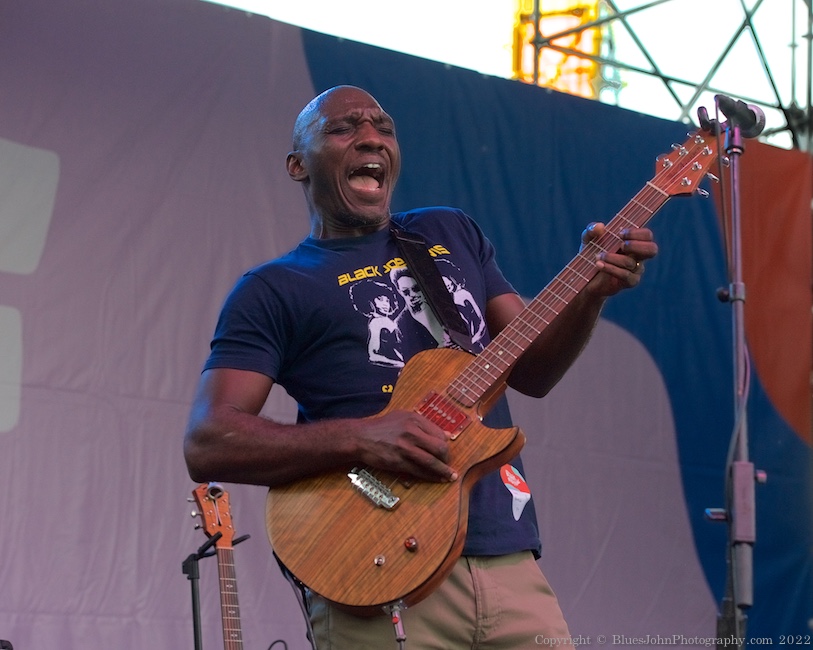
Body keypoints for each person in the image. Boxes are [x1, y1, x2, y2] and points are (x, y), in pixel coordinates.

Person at [184, 85, 658, 649]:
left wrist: (590, 295)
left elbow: (532, 371)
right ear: (297, 165)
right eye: (343, 129)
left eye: (383, 127)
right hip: (372, 570)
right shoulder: (274, 288)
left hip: (507, 558)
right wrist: (362, 437)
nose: (371, 138)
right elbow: (209, 442)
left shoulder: (449, 232)